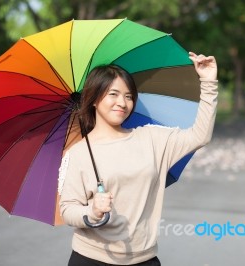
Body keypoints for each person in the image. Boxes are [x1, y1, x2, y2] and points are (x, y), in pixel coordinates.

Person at [59, 52, 218, 266]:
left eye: (128, 96)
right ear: (95, 99)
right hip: (91, 258)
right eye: (113, 94)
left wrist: (208, 82)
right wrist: (92, 211)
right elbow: (68, 209)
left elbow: (200, 135)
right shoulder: (78, 153)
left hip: (143, 259)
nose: (122, 103)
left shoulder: (151, 138)